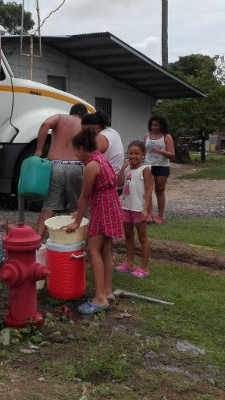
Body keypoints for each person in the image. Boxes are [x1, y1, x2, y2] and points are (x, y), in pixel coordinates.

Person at [64, 127, 123, 314]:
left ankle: (99, 299)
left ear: (82, 148)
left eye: (75, 150)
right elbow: (97, 192)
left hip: (103, 209)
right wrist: (78, 213)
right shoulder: (101, 158)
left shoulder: (91, 166)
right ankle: (107, 291)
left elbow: (85, 196)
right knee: (105, 249)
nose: (74, 154)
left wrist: (76, 221)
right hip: (110, 206)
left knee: (92, 249)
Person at [34, 103, 88, 239]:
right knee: (78, 209)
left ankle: (37, 243)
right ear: (84, 115)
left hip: (56, 166)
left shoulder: (60, 118)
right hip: (77, 167)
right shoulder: (85, 125)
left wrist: (39, 151)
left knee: (49, 207)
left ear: (71, 113)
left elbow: (45, 124)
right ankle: (77, 243)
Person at [116, 140, 153, 278]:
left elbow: (149, 190)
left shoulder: (145, 170)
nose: (133, 156)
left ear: (143, 154)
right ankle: (129, 263)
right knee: (129, 236)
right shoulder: (127, 169)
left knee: (143, 238)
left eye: (137, 153)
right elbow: (119, 183)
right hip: (126, 207)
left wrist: (146, 209)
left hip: (138, 209)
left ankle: (144, 267)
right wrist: (122, 169)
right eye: (131, 153)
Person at [144, 114, 174, 224]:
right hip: (148, 165)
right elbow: (144, 151)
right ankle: (149, 214)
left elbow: (171, 154)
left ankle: (160, 216)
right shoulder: (147, 136)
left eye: (156, 125)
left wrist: (160, 151)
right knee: (148, 190)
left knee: (160, 191)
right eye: (152, 125)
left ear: (161, 125)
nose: (154, 127)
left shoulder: (167, 137)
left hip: (162, 166)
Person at [81, 111, 125, 176]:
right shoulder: (112, 132)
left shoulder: (102, 137)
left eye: (85, 130)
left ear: (97, 128)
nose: (84, 133)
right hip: (113, 176)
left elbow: (87, 157)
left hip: (107, 178)